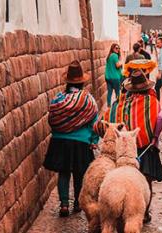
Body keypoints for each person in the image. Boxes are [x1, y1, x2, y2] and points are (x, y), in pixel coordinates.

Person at [97, 69, 162, 223]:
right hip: (144, 148)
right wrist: (154, 137)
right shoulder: (152, 103)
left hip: (123, 150)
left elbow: (104, 123)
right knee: (145, 182)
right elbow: (160, 119)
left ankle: (120, 210)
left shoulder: (119, 105)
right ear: (147, 87)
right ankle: (144, 213)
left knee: (123, 181)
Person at [43, 61, 99, 217]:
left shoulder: (58, 99)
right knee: (80, 173)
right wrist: (94, 140)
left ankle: (64, 204)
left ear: (67, 82)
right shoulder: (88, 100)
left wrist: (61, 130)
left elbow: (52, 118)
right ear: (82, 82)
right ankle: (78, 203)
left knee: (64, 172)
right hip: (81, 142)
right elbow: (94, 122)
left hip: (60, 141)